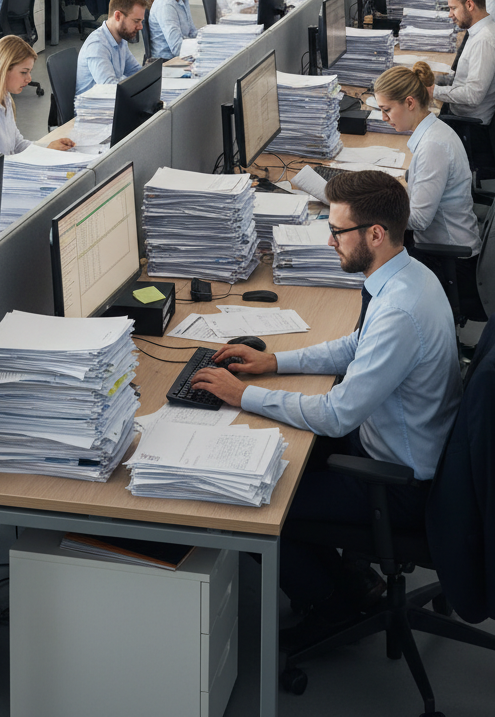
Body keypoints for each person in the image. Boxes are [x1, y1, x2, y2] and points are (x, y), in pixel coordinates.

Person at [191, 170, 461, 642]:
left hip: (401, 483)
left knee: (255, 504)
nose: (330, 241)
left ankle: (332, 607)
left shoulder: (400, 311)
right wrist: (274, 361)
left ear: (374, 234)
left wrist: (242, 395)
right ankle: (353, 582)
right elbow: (355, 347)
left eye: (337, 231)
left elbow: (337, 415)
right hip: (394, 444)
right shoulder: (408, 275)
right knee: (287, 459)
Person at [373, 63, 482, 308]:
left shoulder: (433, 146)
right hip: (442, 246)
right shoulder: (434, 131)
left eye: (387, 110)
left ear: (410, 103)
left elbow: (420, 219)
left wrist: (371, 210)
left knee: (373, 274)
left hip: (450, 261)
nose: (383, 118)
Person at [0, 35, 74, 164]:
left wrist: (47, 148)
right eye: (24, 72)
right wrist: (42, 154)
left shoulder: (4, 97)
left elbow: (17, 145)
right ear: (3, 70)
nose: (29, 79)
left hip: (1, 172)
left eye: (30, 72)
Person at [426, 0, 495, 125]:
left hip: (469, 124)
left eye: (453, 8)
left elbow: (473, 96)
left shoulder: (484, 41)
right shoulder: (483, 31)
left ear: (469, 5)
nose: (450, 14)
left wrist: (432, 91)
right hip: (467, 115)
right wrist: (438, 81)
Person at [75, 0, 147, 97]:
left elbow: (135, 71)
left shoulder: (121, 39)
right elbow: (109, 89)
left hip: (111, 101)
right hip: (95, 105)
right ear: (118, 16)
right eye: (136, 21)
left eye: (141, 21)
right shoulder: (97, 45)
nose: (140, 27)